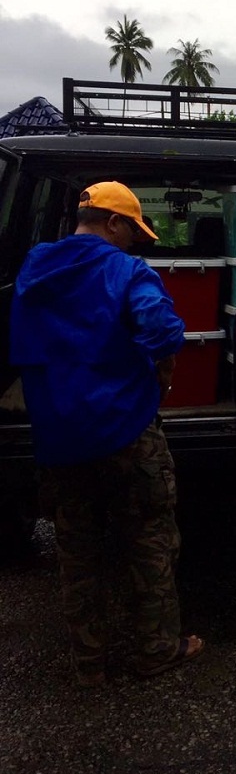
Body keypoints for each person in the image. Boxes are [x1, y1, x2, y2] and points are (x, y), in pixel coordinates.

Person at [10, 181, 204, 686]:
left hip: (59, 437)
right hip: (125, 432)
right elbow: (162, 328)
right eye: (132, 232)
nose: (134, 243)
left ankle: (89, 665)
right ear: (112, 222)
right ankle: (156, 652)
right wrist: (162, 370)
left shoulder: (35, 266)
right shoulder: (125, 270)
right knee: (150, 542)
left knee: (77, 551)